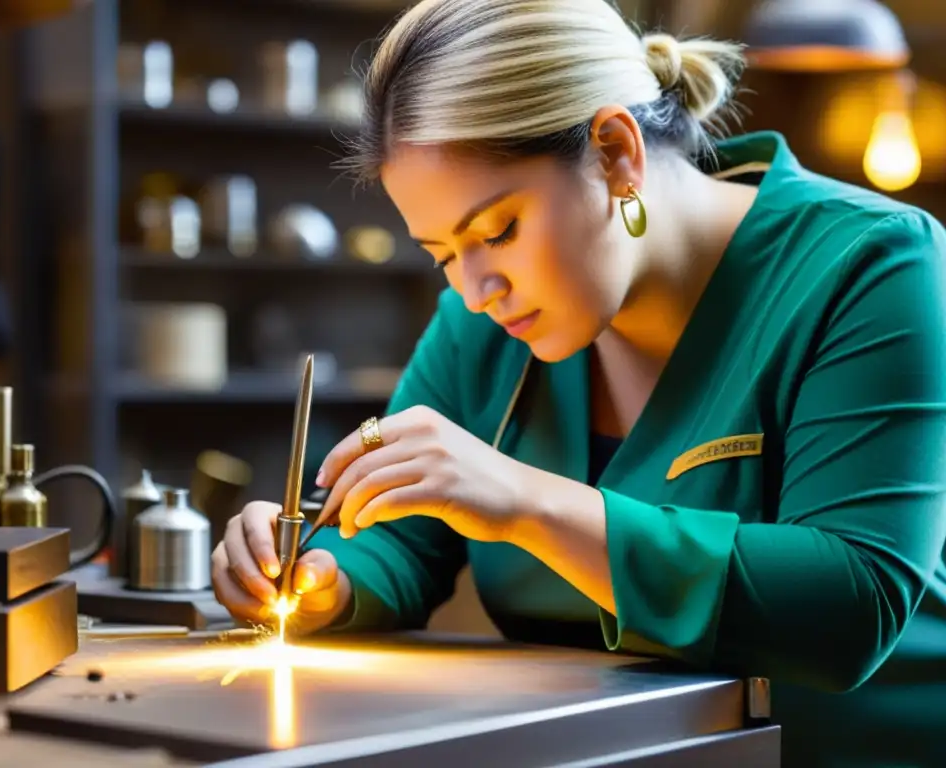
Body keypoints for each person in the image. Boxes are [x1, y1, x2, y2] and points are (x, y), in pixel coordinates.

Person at [212, 0, 946, 764]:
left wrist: (523, 500)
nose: (473, 289)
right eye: (442, 254)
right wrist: (325, 577)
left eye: (497, 231)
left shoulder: (871, 266)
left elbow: (850, 604)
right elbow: (400, 545)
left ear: (616, 152)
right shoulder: (482, 326)